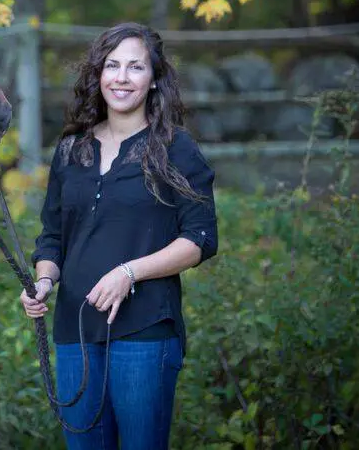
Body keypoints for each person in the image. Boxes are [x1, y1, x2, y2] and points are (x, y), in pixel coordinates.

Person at [20, 22, 218, 450]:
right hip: (75, 332)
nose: (122, 78)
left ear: (153, 79)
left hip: (145, 332)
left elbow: (199, 238)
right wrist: (44, 282)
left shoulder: (175, 148)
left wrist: (129, 272)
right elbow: (52, 237)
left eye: (135, 67)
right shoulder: (71, 150)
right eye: (112, 66)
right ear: (98, 75)